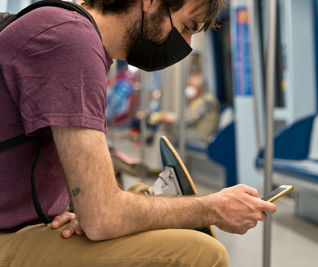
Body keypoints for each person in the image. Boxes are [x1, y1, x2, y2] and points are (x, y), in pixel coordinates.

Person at [0, 0, 276, 266]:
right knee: (202, 253)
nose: (188, 45)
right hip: (7, 236)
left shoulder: (71, 33)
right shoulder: (71, 42)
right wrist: (213, 208)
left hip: (25, 219)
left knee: (141, 195)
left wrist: (86, 209)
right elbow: (103, 216)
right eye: (186, 27)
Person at [160, 71, 220, 142]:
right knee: (166, 128)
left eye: (191, 85)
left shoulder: (206, 101)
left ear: (200, 87)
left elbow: (190, 120)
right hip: (195, 130)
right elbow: (188, 116)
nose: (189, 88)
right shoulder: (198, 100)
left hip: (201, 135)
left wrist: (172, 120)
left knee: (166, 129)